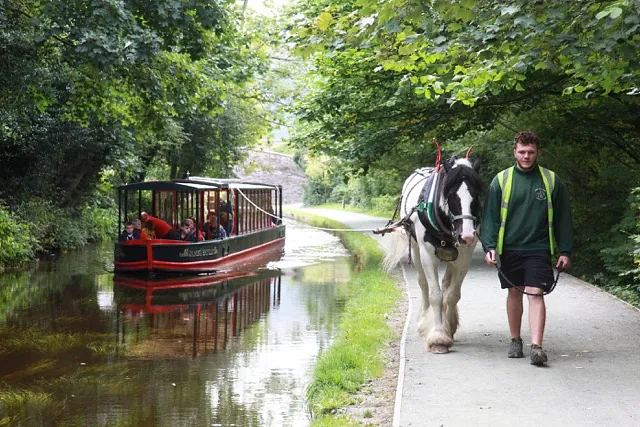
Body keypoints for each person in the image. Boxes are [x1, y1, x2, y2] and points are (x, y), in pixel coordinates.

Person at [481, 131, 573, 366]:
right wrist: (489, 247)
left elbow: (563, 218)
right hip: (510, 248)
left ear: (537, 153)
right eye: (522, 152)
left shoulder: (551, 181)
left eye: (531, 152)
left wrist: (565, 250)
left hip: (539, 248)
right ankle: (515, 340)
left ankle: (537, 347)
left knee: (536, 293)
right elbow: (490, 217)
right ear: (514, 152)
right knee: (514, 292)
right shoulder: (501, 180)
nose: (526, 156)